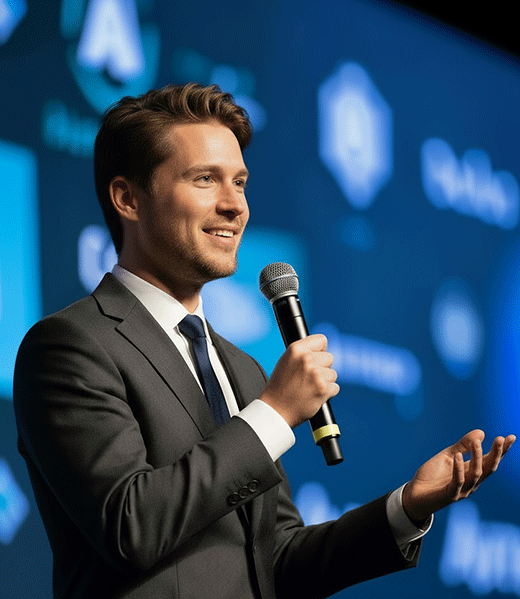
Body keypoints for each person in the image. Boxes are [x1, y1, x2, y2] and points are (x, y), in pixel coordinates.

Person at [13, 83, 515, 599]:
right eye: (205, 179)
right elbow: (130, 526)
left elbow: (276, 562)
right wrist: (274, 413)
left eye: (240, 182)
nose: (235, 206)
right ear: (128, 199)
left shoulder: (242, 368)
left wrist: (407, 507)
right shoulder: (70, 347)